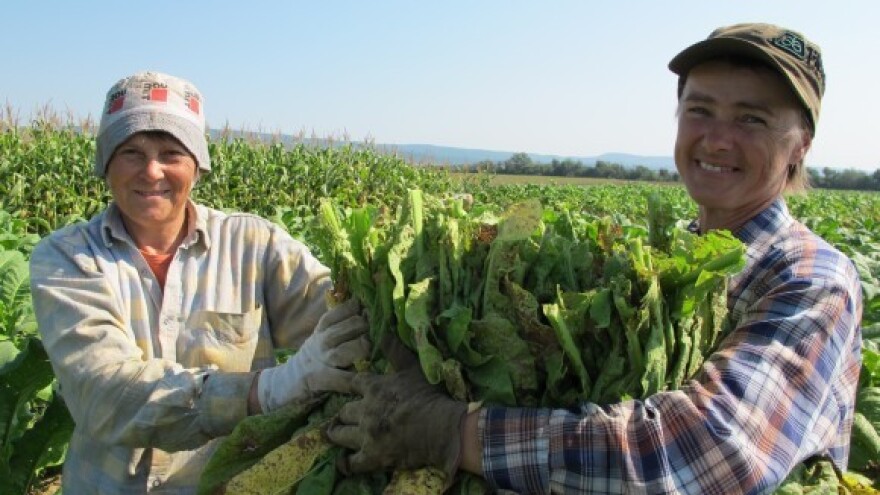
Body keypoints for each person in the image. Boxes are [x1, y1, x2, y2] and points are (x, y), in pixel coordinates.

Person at [326, 23, 864, 494]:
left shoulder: (810, 278)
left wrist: (450, 433)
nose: (718, 139)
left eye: (752, 120)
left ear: (801, 147)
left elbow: (708, 454)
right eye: (700, 110)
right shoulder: (654, 261)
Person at [29, 71, 370, 493]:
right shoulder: (66, 257)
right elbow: (105, 391)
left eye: (171, 153)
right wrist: (270, 390)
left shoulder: (254, 245)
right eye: (131, 152)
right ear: (106, 164)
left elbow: (346, 317)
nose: (152, 171)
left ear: (197, 166)